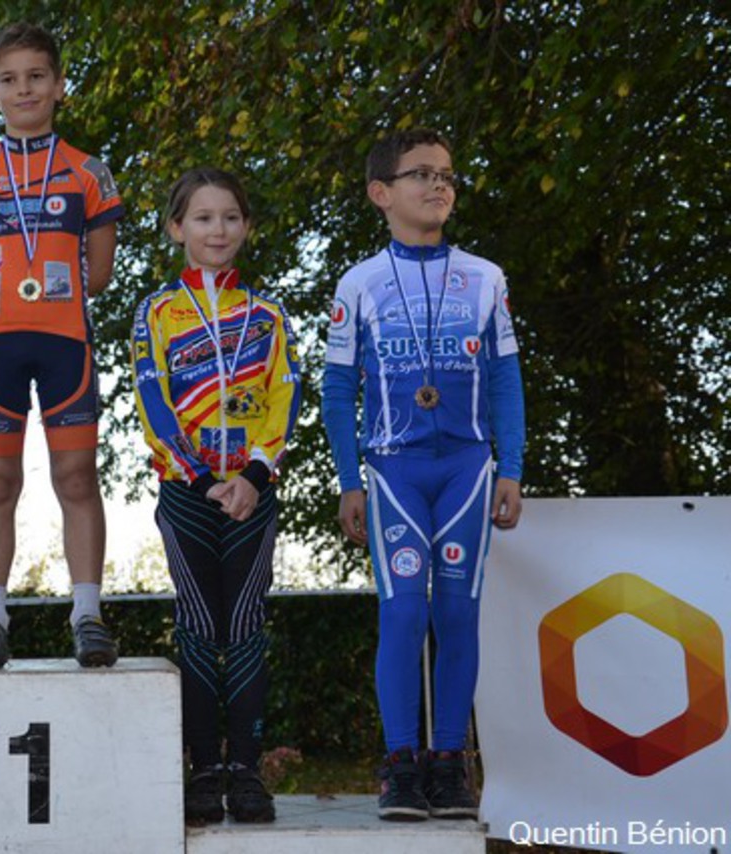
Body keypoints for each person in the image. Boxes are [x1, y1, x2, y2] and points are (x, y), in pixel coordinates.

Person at [320, 128, 525, 821]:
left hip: (467, 466)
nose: (439, 185)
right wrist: (349, 479)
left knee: (457, 612)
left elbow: (505, 379)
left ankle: (449, 762)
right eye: (421, 174)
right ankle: (401, 763)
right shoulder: (359, 282)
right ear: (381, 193)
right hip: (394, 471)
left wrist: (511, 466)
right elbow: (338, 388)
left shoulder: (486, 276)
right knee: (404, 609)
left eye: (447, 175)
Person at [0, 22, 124, 670]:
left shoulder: (88, 172)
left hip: (66, 341)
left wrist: (47, 297)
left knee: (77, 475)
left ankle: (87, 615)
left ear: (59, 85)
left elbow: (98, 274)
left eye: (36, 76)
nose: (24, 89)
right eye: (9, 79)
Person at [132, 168, 303, 825]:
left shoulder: (267, 313)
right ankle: (205, 769)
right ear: (177, 228)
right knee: (201, 626)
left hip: (253, 493)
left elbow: (285, 395)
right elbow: (152, 398)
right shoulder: (157, 312)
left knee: (247, 624)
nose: (218, 229)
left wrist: (254, 476)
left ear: (247, 227)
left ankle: (247, 770)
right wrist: (204, 480)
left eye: (231, 217)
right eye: (203, 218)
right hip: (188, 492)